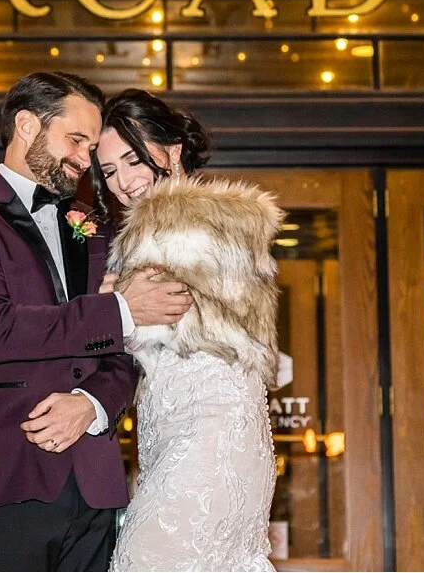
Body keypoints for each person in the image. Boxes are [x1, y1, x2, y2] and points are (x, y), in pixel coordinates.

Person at [0, 72, 195, 572]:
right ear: (27, 126)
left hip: (95, 482)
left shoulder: (97, 225)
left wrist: (92, 404)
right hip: (7, 478)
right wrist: (120, 310)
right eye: (75, 140)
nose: (83, 158)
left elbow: (127, 349)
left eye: (90, 147)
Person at [94, 89, 283, 573]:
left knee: (143, 563)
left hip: (211, 429)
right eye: (110, 170)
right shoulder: (158, 230)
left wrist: (106, 306)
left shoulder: (188, 221)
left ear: (173, 150)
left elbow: (166, 317)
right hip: (172, 430)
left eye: (134, 159)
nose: (124, 181)